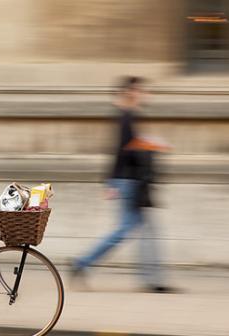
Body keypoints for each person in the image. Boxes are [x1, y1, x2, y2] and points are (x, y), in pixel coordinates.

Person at [71, 76, 174, 293]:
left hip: (129, 181)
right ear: (130, 92)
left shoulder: (128, 116)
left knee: (136, 229)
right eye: (141, 90)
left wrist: (152, 144)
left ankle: (84, 264)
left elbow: (128, 147)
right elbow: (122, 150)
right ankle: (83, 263)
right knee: (129, 229)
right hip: (129, 182)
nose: (145, 94)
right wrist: (111, 182)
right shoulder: (126, 117)